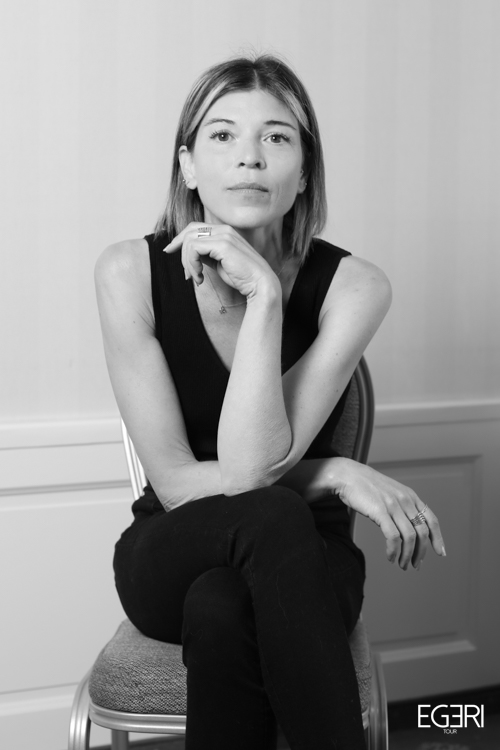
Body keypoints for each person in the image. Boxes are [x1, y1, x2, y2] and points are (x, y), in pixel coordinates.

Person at [95, 54, 446, 750]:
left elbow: (251, 469)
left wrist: (264, 295)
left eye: (277, 138)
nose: (250, 157)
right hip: (172, 543)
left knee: (221, 606)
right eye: (223, 135)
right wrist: (334, 472)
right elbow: (178, 483)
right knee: (271, 514)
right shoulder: (128, 272)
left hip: (311, 557)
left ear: (305, 170)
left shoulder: (355, 286)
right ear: (188, 165)